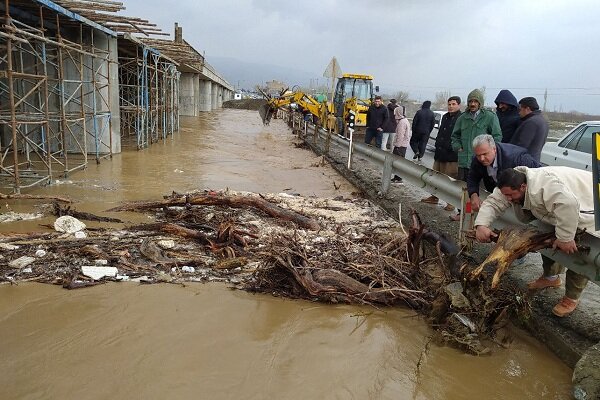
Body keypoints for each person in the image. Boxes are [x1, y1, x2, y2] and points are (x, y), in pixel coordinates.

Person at [474, 166, 595, 317]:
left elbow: (568, 204)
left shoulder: (544, 187)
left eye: (511, 195)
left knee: (580, 255)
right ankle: (551, 278)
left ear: (523, 187)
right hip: (562, 207)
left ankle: (571, 298)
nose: (509, 199)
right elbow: (493, 203)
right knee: (546, 237)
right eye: (506, 196)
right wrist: (481, 225)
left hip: (589, 206)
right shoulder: (510, 184)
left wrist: (565, 238)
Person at [450, 89, 502, 220]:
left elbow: (497, 136)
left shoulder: (490, 117)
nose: (472, 104)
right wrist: (458, 147)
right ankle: (464, 214)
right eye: (470, 101)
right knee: (465, 190)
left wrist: (490, 153)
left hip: (482, 161)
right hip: (464, 161)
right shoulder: (463, 118)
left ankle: (481, 217)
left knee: (481, 191)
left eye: (475, 101)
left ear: (480, 103)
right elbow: (454, 136)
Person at [466, 134, 541, 212]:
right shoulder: (477, 160)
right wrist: (473, 195)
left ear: (494, 149)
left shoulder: (517, 158)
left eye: (485, 154)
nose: (481, 159)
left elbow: (538, 174)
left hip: (524, 199)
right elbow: (472, 177)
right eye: (478, 155)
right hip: (498, 195)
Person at [421, 96, 462, 210]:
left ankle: (451, 202)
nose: (451, 106)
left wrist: (453, 147)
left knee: (450, 180)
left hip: (451, 156)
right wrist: (438, 144)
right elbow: (440, 133)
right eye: (449, 104)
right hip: (439, 153)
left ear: (459, 105)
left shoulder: (461, 118)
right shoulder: (445, 117)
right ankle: (434, 197)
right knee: (436, 177)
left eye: (453, 104)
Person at [509, 97, 548, 162]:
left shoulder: (531, 122)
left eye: (520, 109)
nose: (519, 113)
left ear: (527, 109)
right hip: (534, 160)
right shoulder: (543, 120)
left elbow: (521, 146)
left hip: (525, 162)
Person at [391, 106, 411, 183]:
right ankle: (397, 177)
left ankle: (398, 178)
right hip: (403, 145)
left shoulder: (402, 122)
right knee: (399, 162)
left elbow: (400, 135)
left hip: (400, 146)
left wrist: (397, 146)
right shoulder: (405, 120)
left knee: (398, 163)